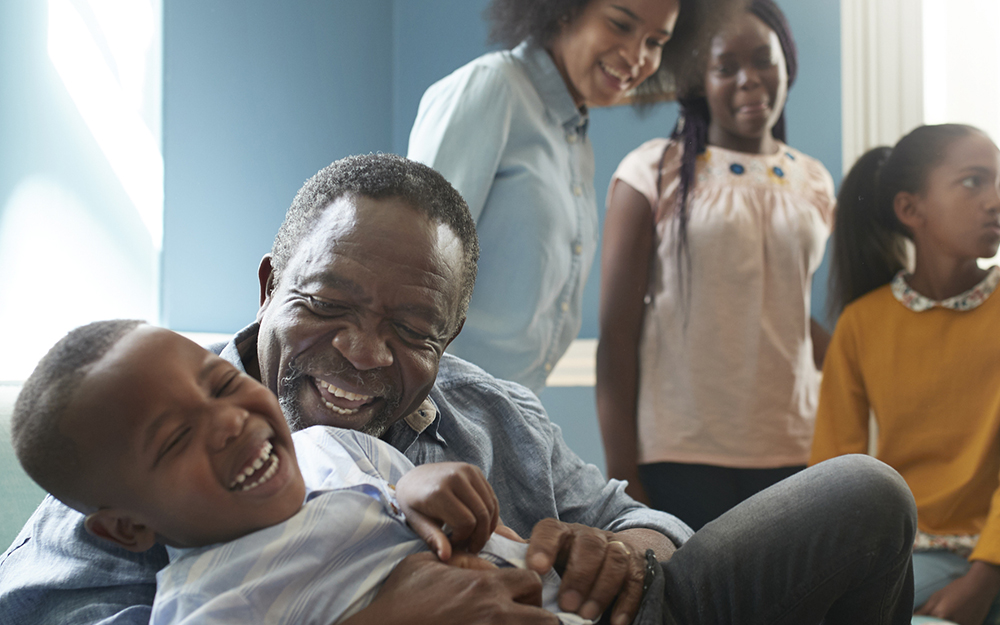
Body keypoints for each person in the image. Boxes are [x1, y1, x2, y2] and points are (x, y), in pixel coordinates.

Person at [2, 153, 918, 625]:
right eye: (327, 304)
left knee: (864, 493)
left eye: (412, 330)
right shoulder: (128, 441)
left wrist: (625, 553)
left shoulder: (484, 414)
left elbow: (633, 517)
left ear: (449, 337)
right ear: (267, 284)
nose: (363, 353)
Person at [10, 320, 588, 624]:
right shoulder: (210, 603)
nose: (230, 422)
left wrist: (414, 486)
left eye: (221, 384)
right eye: (178, 438)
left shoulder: (328, 447)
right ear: (127, 529)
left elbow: (395, 477)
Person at [407, 0, 740, 392]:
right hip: (437, 406)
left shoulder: (575, 140)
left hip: (505, 410)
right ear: (563, 9)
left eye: (655, 42)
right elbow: (409, 271)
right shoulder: (492, 89)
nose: (637, 57)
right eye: (619, 24)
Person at [596, 0, 835, 531]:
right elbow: (616, 335)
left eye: (764, 61)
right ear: (699, 79)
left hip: (797, 445)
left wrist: (864, 370)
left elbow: (784, 311)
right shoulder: (652, 171)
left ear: (786, 64)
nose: (750, 81)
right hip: (680, 450)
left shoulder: (813, 181)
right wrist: (622, 474)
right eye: (726, 67)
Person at [810, 124, 1000, 625]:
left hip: (987, 557)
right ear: (911, 210)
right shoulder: (862, 324)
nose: (995, 198)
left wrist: (984, 578)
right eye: (974, 181)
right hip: (898, 556)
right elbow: (833, 473)